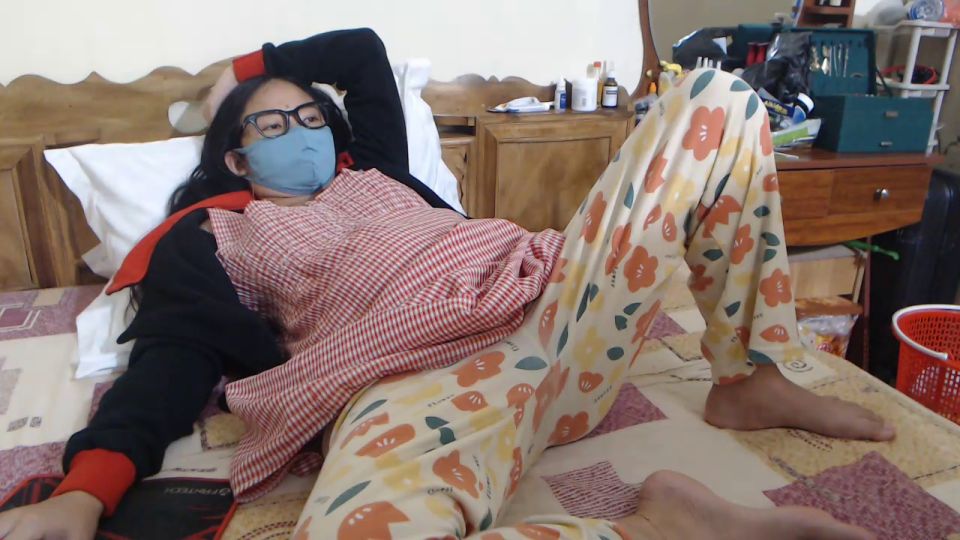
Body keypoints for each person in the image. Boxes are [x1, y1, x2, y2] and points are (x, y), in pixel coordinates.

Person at [0, 28, 893, 540]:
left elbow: (362, 52)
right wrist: (87, 491)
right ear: (235, 156)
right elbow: (169, 359)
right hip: (410, 382)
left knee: (716, 98)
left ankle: (749, 376)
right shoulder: (212, 233)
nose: (299, 131)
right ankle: (655, 527)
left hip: (551, 308)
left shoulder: (377, 168)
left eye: (309, 116)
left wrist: (246, 69)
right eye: (270, 125)